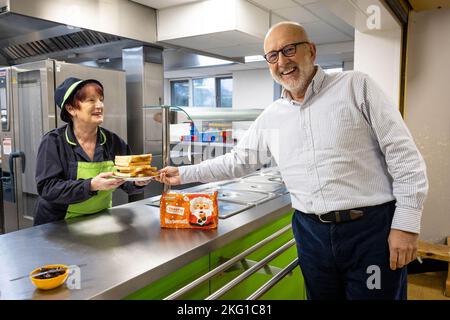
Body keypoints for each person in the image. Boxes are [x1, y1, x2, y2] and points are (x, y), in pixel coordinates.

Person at [156, 21, 429, 300]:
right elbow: (239, 160)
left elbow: (403, 155)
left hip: (369, 232)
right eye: (272, 56)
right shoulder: (273, 114)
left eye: (289, 49)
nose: (282, 61)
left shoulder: (355, 86)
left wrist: (406, 226)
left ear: (310, 50)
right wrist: (183, 174)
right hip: (311, 235)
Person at [33, 77, 150, 225]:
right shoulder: (54, 142)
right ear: (71, 109)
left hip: (99, 221)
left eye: (101, 99)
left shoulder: (113, 141)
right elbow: (47, 188)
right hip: (58, 224)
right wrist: (91, 185)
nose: (100, 105)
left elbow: (126, 180)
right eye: (91, 100)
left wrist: (138, 182)